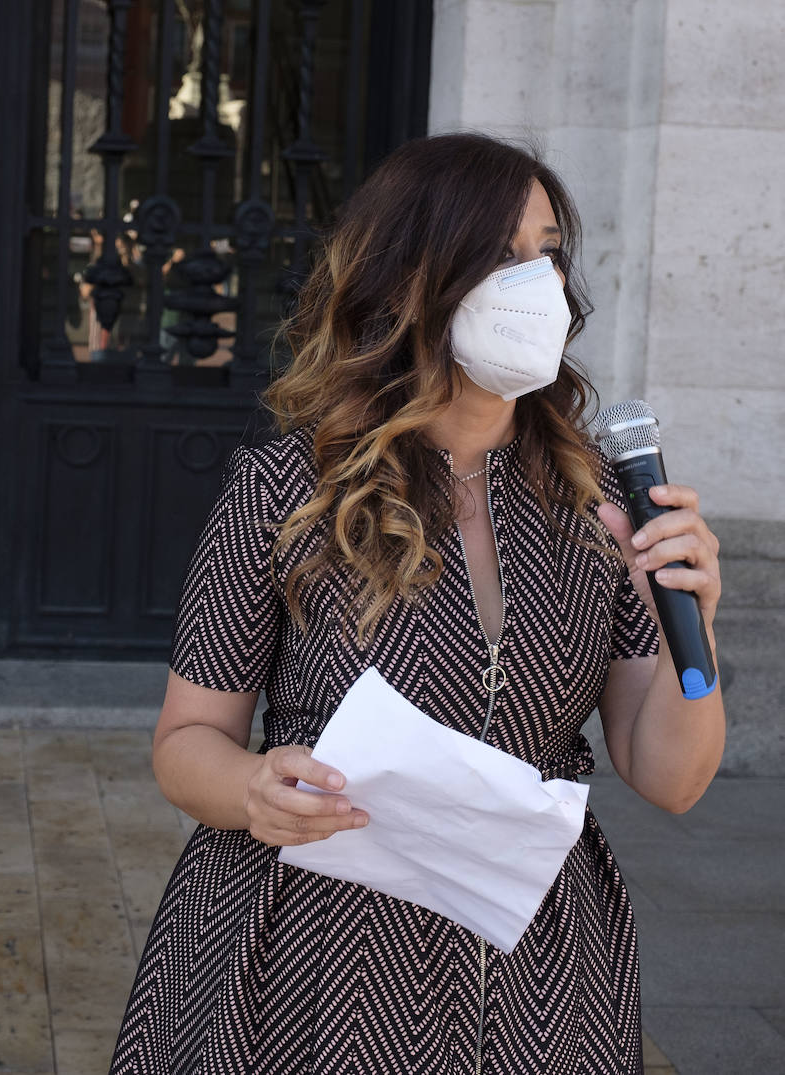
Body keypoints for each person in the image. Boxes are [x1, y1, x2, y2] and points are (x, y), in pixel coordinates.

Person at [109, 132, 725, 1074]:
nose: (537, 282)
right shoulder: (288, 486)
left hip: (538, 970)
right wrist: (252, 789)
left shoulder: (597, 497)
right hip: (311, 959)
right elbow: (185, 741)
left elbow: (671, 776)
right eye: (500, 255)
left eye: (548, 253)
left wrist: (697, 621)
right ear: (407, 279)